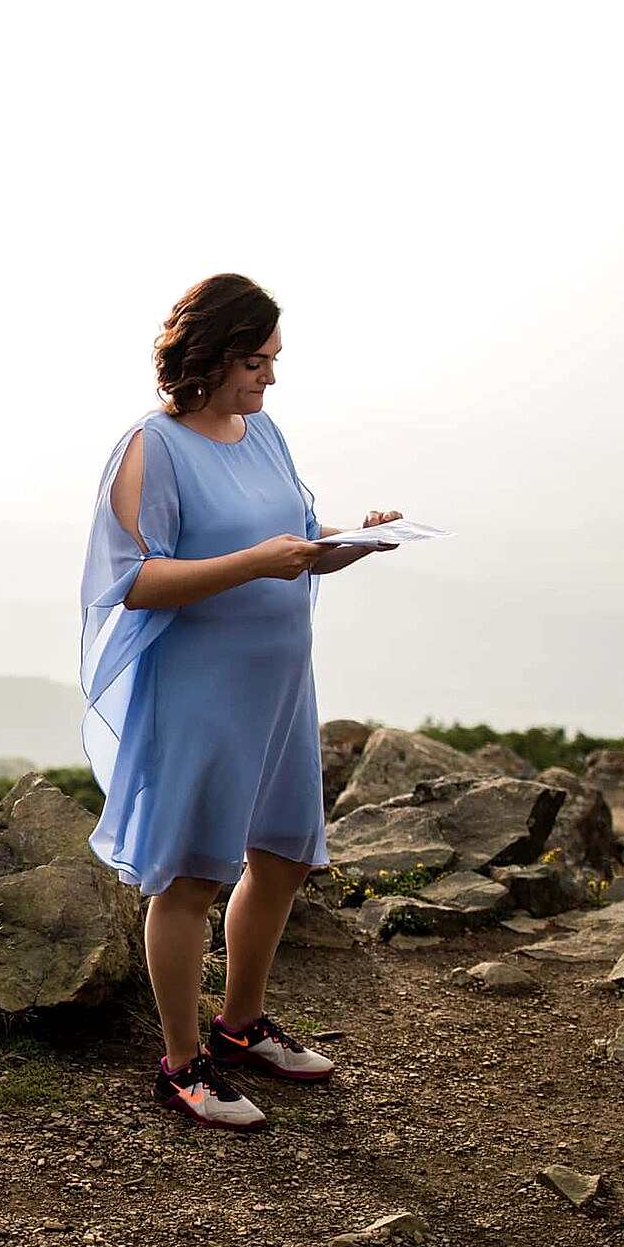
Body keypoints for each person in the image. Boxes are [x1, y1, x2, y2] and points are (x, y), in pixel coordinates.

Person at [79, 273, 400, 1131]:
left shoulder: (263, 432)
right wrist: (257, 562)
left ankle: (242, 1023)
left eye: (273, 360)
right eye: (257, 361)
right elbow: (135, 580)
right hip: (202, 689)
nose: (270, 377)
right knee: (190, 875)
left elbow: (289, 543)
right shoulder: (153, 447)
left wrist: (347, 545)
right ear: (213, 356)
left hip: (279, 682)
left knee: (284, 854)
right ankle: (182, 1063)